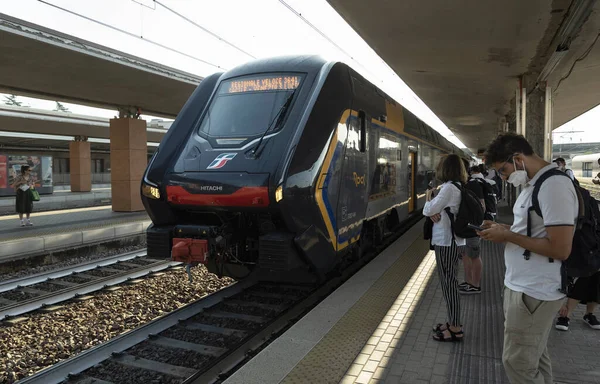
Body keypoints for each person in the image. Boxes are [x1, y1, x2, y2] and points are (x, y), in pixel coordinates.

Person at [478, 133, 577, 384]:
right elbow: (534, 231)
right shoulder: (535, 184)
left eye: (503, 170)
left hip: (534, 291)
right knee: (535, 358)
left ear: (518, 159)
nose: (503, 177)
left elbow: (561, 248)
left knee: (518, 364)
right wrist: (502, 228)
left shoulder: (554, 186)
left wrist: (508, 235)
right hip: (525, 287)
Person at [423, 154, 467, 342]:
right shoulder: (456, 186)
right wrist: (435, 209)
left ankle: (455, 328)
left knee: (449, 285)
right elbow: (437, 210)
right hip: (452, 241)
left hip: (447, 242)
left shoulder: (448, 188)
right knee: (449, 284)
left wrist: (428, 198)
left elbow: (428, 209)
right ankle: (452, 322)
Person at [458, 165, 486, 295]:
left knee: (474, 256)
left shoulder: (473, 185)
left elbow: (482, 206)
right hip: (467, 228)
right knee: (466, 255)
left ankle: (475, 285)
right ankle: (468, 282)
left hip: (472, 228)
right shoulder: (464, 185)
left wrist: (476, 224)